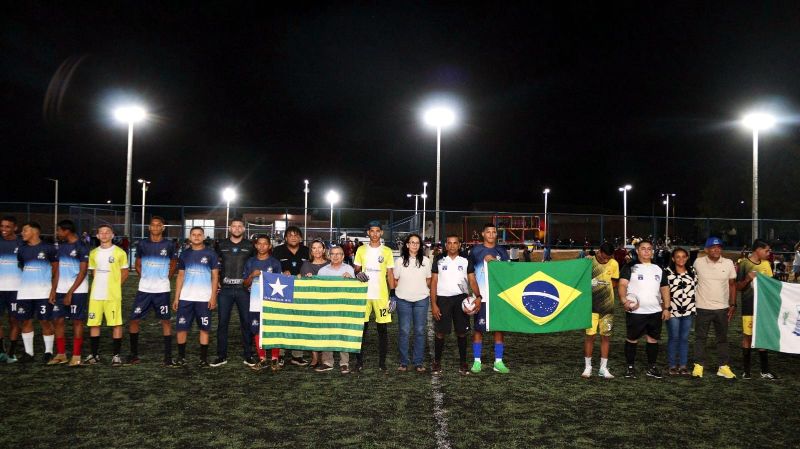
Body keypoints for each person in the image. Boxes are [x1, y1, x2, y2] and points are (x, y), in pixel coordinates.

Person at [127, 216, 177, 366]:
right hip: (144, 289)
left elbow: (173, 263)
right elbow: (137, 264)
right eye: (153, 225)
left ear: (163, 228)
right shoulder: (142, 244)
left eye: (158, 225)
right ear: (149, 228)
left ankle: (168, 357)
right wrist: (145, 277)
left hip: (162, 290)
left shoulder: (169, 244)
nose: (155, 227)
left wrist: (166, 278)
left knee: (166, 321)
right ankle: (133, 355)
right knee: (134, 319)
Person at [618, 239, 670, 379]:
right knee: (632, 339)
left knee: (653, 340)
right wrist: (624, 300)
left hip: (655, 311)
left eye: (649, 249)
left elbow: (665, 288)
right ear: (637, 251)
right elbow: (622, 285)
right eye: (643, 248)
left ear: (652, 251)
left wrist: (667, 307)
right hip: (636, 312)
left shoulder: (659, 268)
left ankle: (651, 367)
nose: (646, 251)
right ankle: (630, 368)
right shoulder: (630, 267)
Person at [431, 234, 480, 375]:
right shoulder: (439, 259)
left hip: (461, 300)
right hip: (443, 299)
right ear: (446, 245)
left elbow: (472, 280)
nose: (452, 245)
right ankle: (437, 362)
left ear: (459, 245)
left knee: (462, 332)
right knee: (440, 332)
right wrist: (433, 304)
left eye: (455, 243)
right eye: (449, 243)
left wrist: (478, 296)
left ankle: (463, 363)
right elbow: (434, 282)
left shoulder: (466, 260)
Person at [211, 218, 255, 367]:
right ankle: (221, 356)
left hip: (244, 290)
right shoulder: (221, 244)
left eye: (239, 226)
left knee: (246, 323)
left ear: (244, 229)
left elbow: (255, 264)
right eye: (234, 226)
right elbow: (214, 264)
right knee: (222, 323)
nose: (237, 228)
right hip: (225, 290)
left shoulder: (250, 245)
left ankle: (248, 355)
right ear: (230, 228)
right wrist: (216, 279)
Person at [173, 226, 219, 367]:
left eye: (199, 234)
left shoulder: (211, 254)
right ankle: (181, 357)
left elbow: (215, 277)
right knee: (181, 328)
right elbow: (180, 277)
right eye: (194, 234)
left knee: (204, 328)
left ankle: (203, 359)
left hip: (204, 298)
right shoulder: (184, 254)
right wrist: (176, 298)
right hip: (186, 298)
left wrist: (213, 297)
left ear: (204, 237)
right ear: (190, 237)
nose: (197, 237)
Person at [353, 221, 395, 372]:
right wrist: (358, 273)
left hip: (381, 296)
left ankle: (382, 363)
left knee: (382, 330)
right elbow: (356, 269)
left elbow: (390, 274)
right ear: (368, 233)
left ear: (381, 233)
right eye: (372, 231)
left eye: (378, 231)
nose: (375, 233)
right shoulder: (361, 249)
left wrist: (393, 295)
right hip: (363, 295)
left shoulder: (387, 251)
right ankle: (359, 362)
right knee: (361, 330)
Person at [691, 237, 736, 379]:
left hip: (722, 308)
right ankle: (698, 365)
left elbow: (732, 285)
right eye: (713, 247)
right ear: (706, 250)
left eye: (719, 247)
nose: (716, 250)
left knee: (722, 338)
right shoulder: (698, 262)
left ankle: (723, 367)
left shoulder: (728, 263)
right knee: (700, 337)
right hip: (702, 307)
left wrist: (733, 304)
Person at [468, 223, 510, 374]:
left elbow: (507, 272)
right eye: (488, 232)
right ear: (483, 234)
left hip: (498, 297)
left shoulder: (502, 251)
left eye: (494, 232)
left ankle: (498, 362)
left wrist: (494, 262)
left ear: (496, 234)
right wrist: (476, 295)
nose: (491, 234)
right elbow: (470, 274)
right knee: (479, 329)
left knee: (499, 329)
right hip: (482, 297)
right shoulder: (475, 251)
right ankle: (477, 361)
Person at [85, 224, 129, 366]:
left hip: (112, 296)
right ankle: (94, 355)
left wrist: (115, 287)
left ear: (112, 235)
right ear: (97, 236)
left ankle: (116, 356)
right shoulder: (93, 253)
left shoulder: (120, 252)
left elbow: (125, 273)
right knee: (94, 324)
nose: (104, 235)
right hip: (96, 295)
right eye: (101, 232)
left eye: (107, 232)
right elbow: (94, 272)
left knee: (116, 323)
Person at [15, 221, 58, 363]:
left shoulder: (49, 248)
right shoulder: (21, 249)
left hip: (43, 292)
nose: (22, 233)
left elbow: (56, 270)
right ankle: (29, 353)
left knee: (45, 321)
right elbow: (22, 266)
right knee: (25, 321)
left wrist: (53, 290)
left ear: (35, 231)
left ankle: (48, 352)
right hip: (25, 292)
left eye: (25, 230)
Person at [736, 239, 778, 379]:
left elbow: (771, 286)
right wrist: (748, 279)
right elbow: (738, 287)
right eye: (767, 250)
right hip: (749, 306)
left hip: (763, 307)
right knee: (747, 337)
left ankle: (764, 371)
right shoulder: (744, 263)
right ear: (758, 250)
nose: (769, 253)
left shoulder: (767, 264)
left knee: (763, 336)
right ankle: (746, 371)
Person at [50, 220, 89, 366]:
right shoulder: (61, 246)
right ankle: (61, 354)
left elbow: (83, 272)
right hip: (61, 290)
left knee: (77, 321)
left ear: (66, 231)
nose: (57, 233)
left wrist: (70, 293)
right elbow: (58, 270)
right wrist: (53, 290)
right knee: (57, 320)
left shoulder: (82, 246)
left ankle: (76, 356)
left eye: (58, 230)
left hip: (78, 291)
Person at [272, 225, 310, 366]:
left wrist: (305, 274)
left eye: (296, 235)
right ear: (285, 238)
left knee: (299, 321)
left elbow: (314, 267)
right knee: (283, 322)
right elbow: (271, 268)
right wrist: (281, 273)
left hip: (302, 291)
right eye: (290, 235)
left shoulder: (307, 251)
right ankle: (280, 354)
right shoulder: (278, 251)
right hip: (282, 290)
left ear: (300, 238)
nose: (293, 237)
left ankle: (297, 355)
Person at [242, 235, 282, 370]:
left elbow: (281, 282)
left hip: (272, 302)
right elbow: (245, 283)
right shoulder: (250, 262)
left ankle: (275, 359)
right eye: (259, 243)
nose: (262, 246)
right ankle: (262, 358)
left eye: (265, 244)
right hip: (255, 302)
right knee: (257, 330)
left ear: (270, 246)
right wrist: (251, 276)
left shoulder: (275, 263)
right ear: (256, 245)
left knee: (273, 329)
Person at [393, 233, 431, 372]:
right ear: (407, 245)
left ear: (420, 246)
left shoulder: (426, 261)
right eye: (412, 242)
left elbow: (429, 279)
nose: (414, 245)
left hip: (421, 300)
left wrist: (420, 289)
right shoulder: (399, 261)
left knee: (420, 331)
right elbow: (395, 279)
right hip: (403, 300)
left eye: (417, 243)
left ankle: (418, 362)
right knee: (404, 331)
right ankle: (403, 362)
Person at [582, 242, 619, 379]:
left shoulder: (614, 264)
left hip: (607, 307)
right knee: (590, 336)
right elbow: (579, 277)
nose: (606, 260)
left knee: (605, 337)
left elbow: (614, 282)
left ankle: (603, 368)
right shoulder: (589, 262)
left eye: (608, 258)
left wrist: (602, 286)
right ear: (599, 251)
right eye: (604, 257)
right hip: (590, 306)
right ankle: (588, 367)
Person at [318, 245, 357, 373]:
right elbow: (318, 289)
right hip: (327, 307)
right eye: (332, 254)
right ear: (329, 256)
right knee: (327, 333)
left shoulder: (349, 269)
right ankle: (327, 362)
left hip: (343, 307)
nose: (335, 256)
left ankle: (344, 363)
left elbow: (353, 290)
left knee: (343, 333)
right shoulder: (322, 271)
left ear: (343, 256)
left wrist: (351, 280)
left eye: (338, 254)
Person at [663, 247, 697, 376]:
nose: (681, 259)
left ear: (687, 258)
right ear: (673, 259)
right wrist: (665, 308)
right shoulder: (667, 272)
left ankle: (683, 366)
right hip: (673, 310)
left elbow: (696, 288)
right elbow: (662, 291)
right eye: (678, 256)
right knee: (674, 338)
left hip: (688, 310)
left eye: (683, 256)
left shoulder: (692, 271)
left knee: (684, 338)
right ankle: (672, 365)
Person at [299, 239, 330, 368]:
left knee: (325, 329)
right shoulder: (306, 265)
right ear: (311, 251)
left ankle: (325, 357)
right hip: (311, 301)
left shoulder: (330, 263)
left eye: (319, 247)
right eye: (314, 248)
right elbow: (301, 284)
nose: (317, 250)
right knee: (312, 328)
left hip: (327, 302)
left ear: (324, 249)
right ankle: (315, 357)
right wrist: (305, 279)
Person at [0, 216, 22, 363]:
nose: (3, 229)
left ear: (15, 228)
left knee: (14, 320)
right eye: (2, 226)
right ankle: (1, 351)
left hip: (16, 289)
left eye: (7, 226)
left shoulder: (22, 244)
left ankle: (12, 353)